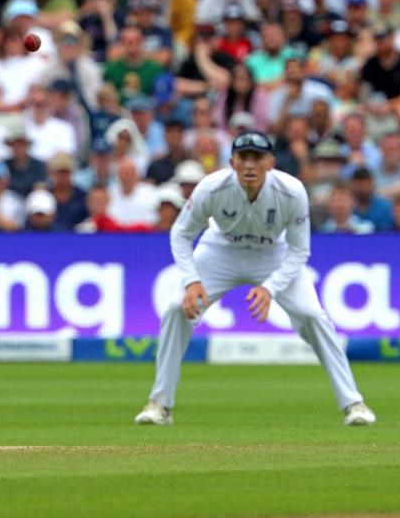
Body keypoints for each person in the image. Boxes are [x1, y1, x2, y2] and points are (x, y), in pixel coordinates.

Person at [135, 131, 376, 427]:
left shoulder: (292, 191)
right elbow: (181, 234)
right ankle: (160, 404)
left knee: (313, 315)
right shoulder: (211, 188)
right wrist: (191, 280)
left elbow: (300, 250)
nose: (250, 165)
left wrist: (269, 288)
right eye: (243, 158)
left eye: (257, 158)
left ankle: (354, 403)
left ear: (270, 162)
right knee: (175, 309)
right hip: (220, 250)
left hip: (273, 253)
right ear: (232, 162)